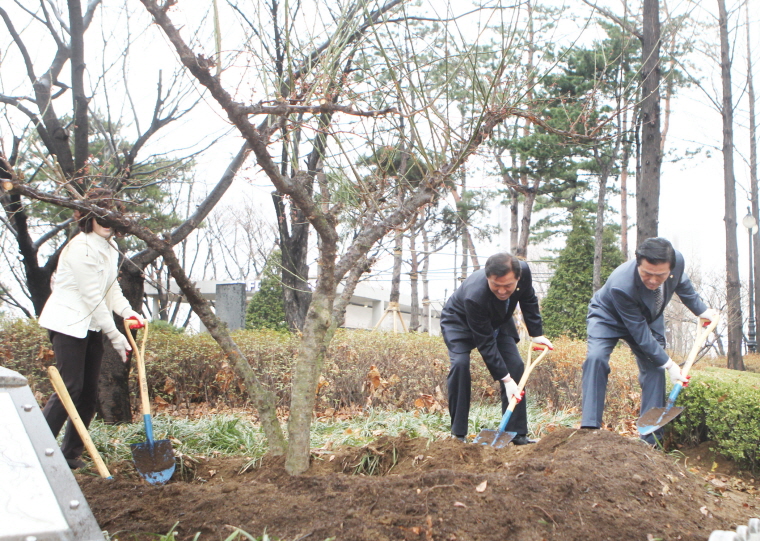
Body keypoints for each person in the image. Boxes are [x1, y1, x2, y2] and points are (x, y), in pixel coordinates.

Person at [38, 189, 144, 469]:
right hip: (68, 324)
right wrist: (116, 336)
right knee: (69, 387)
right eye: (100, 215)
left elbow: (112, 290)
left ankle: (70, 455)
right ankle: (36, 450)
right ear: (88, 217)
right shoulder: (81, 247)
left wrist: (127, 311)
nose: (106, 222)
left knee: (88, 395)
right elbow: (93, 297)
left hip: (92, 326)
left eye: (112, 216)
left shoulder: (110, 248)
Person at [581, 237, 719, 443]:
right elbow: (639, 332)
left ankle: (650, 438)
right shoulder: (621, 283)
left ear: (670, 267)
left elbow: (683, 285)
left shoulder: (677, 261)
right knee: (596, 358)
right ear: (638, 264)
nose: (653, 280)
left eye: (660, 275)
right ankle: (590, 428)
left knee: (655, 367)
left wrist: (703, 311)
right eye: (647, 274)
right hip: (608, 318)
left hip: (648, 317)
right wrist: (671, 365)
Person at [440, 252, 553, 444]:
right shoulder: (475, 296)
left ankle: (516, 435)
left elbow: (528, 299)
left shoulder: (524, 271)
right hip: (459, 322)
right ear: (487, 278)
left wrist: (536, 333)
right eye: (496, 286)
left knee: (516, 366)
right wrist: (506, 380)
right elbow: (485, 342)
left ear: (518, 277)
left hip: (498, 320)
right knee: (460, 365)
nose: (502, 291)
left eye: (508, 286)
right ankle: (458, 435)